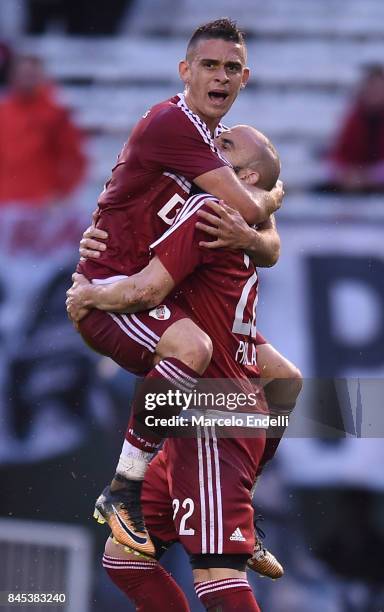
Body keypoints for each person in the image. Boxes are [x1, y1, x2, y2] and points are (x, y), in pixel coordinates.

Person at [69, 18, 283, 558]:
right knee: (192, 348)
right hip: (120, 288)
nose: (221, 76)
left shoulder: (216, 143)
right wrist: (92, 294)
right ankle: (123, 488)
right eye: (209, 65)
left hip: (154, 288)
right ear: (185, 71)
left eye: (231, 68)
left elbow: (270, 241)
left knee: (284, 382)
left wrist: (259, 224)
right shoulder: (175, 125)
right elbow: (253, 206)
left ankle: (235, 503)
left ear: (245, 78)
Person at [0, 54, 87, 207]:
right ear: (13, 77)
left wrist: (63, 192)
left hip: (42, 204)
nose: (28, 80)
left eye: (33, 75)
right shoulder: (3, 112)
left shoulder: (57, 114)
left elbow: (74, 158)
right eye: (24, 75)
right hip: (6, 200)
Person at [326, 64, 384, 192]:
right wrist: (347, 174)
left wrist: (368, 177)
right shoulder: (354, 118)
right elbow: (340, 155)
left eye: (379, 89)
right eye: (371, 88)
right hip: (356, 182)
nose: (375, 94)